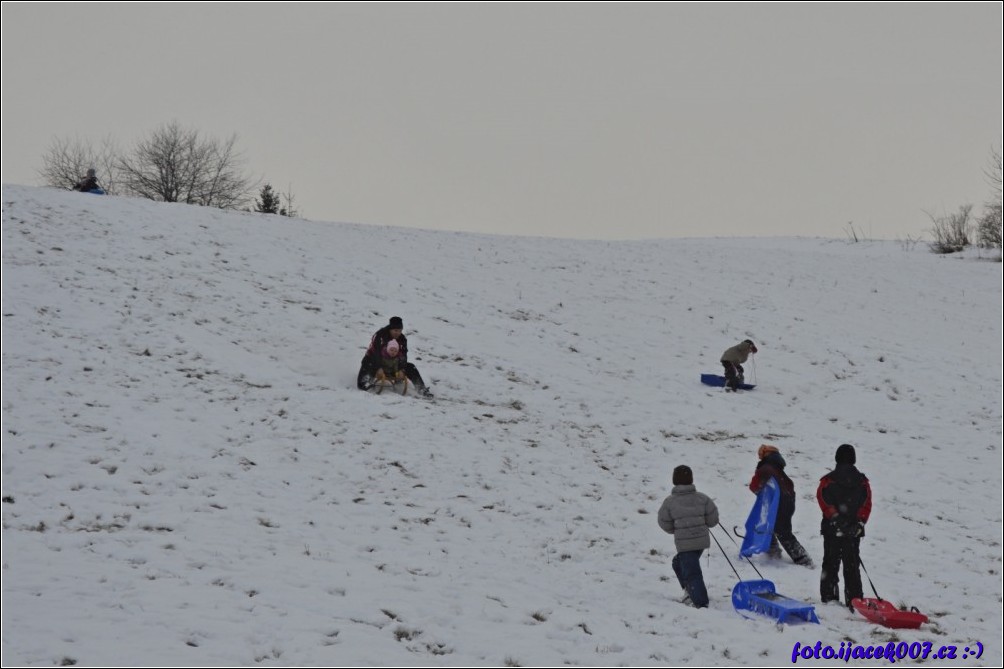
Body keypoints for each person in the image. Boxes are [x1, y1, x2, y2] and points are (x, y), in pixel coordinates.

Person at [817, 443, 872, 609]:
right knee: (852, 566)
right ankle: (854, 599)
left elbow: (823, 501)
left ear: (837, 458)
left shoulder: (828, 480)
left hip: (832, 529)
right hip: (853, 531)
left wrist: (836, 519)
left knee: (830, 564)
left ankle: (829, 597)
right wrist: (858, 523)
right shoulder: (862, 481)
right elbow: (866, 504)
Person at [657, 465, 720, 608]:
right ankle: (689, 590)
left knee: (692, 572)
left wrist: (675, 530)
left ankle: (700, 602)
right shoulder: (703, 498)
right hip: (701, 542)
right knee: (678, 563)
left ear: (674, 480)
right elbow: (713, 519)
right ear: (691, 479)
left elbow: (663, 521)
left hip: (685, 544)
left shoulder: (670, 502)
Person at [749, 444, 813, 566]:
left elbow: (754, 486)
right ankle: (773, 552)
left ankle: (802, 559)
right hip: (788, 501)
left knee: (782, 531)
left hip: (778, 503)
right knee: (772, 526)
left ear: (765, 455)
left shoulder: (765, 468)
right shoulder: (777, 468)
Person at [357, 316, 433, 397]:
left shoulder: (402, 339)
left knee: (411, 367)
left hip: (393, 365)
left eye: (400, 331)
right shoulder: (380, 335)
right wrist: (379, 367)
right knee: (368, 360)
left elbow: (403, 356)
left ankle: (421, 389)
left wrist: (401, 369)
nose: (398, 333)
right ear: (390, 329)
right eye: (395, 330)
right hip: (375, 363)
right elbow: (376, 353)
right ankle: (364, 382)